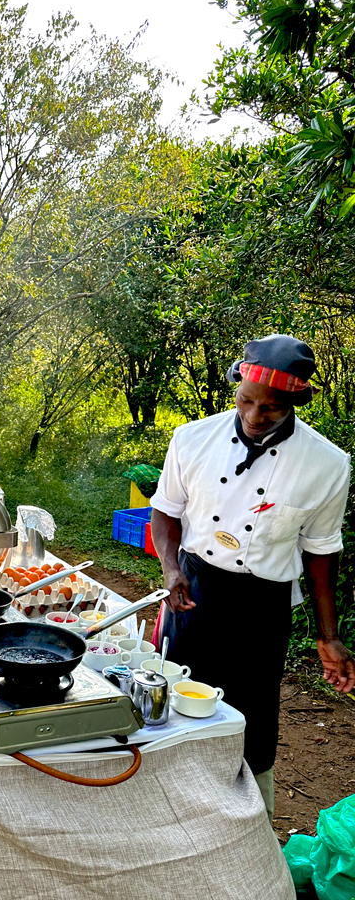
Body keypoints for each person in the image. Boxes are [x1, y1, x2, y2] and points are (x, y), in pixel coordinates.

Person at [150, 335, 355, 821]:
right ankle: (168, 812)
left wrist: (329, 637)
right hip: (195, 591)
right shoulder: (192, 438)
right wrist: (172, 569)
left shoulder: (326, 463)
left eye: (272, 407)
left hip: (264, 606)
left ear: (296, 401)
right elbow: (165, 512)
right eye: (246, 400)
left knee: (252, 719)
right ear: (236, 386)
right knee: (177, 703)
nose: (255, 415)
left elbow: (321, 552)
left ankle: (248, 825)